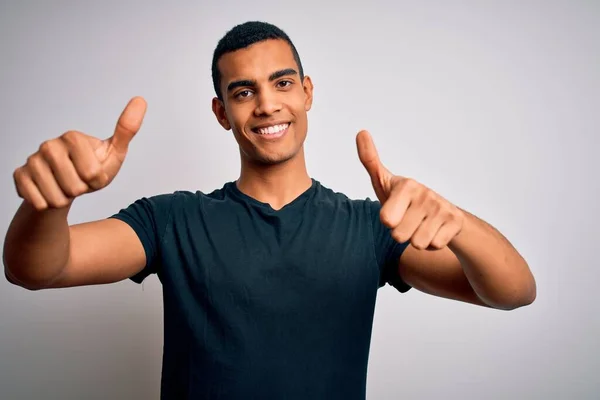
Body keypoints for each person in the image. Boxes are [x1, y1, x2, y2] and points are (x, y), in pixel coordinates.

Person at [4, 21, 536, 399]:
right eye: (243, 91)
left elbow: (513, 292)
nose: (266, 104)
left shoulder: (371, 228)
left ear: (306, 93)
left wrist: (458, 223)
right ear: (221, 113)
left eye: (282, 83)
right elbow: (36, 269)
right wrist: (50, 202)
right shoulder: (173, 221)